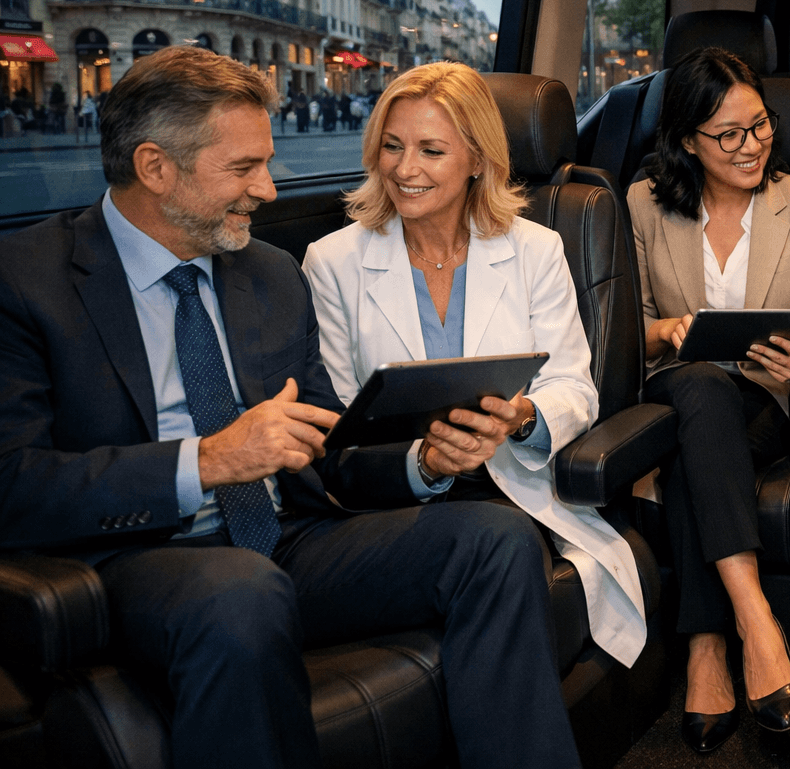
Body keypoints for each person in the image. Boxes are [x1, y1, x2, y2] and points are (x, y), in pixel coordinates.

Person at [0, 46, 581, 768]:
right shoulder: (28, 281)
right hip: (141, 552)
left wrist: (423, 463)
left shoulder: (268, 275)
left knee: (494, 540)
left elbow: (331, 446)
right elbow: (14, 484)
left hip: (288, 539)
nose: (269, 190)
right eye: (244, 169)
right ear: (155, 168)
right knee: (243, 592)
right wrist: (209, 460)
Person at [303, 61, 646, 668]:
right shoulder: (331, 262)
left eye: (431, 150)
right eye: (392, 146)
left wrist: (521, 418)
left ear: (479, 160)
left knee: (498, 555)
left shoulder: (534, 249)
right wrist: (423, 462)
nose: (405, 169)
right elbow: (339, 421)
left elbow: (572, 385)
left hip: (511, 482)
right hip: (397, 495)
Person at [628, 47, 790, 753]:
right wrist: (666, 331)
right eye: (728, 134)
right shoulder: (642, 202)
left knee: (702, 432)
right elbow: (617, 325)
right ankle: (756, 618)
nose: (751, 146)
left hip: (762, 403)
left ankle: (708, 645)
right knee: (694, 386)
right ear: (687, 138)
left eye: (760, 127)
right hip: (668, 391)